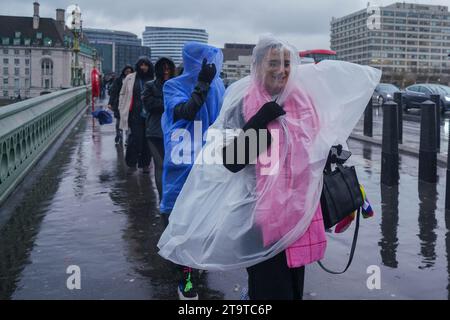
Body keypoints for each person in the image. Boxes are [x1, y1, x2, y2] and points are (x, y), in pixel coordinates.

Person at [157, 35, 381, 300]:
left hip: (300, 216)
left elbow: (312, 152)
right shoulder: (241, 104)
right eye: (273, 63)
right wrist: (259, 122)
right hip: (258, 219)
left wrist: (329, 153)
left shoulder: (303, 102)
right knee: (271, 291)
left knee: (294, 288)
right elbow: (230, 161)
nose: (281, 70)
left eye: (286, 63)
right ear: (258, 66)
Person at [160, 42, 225, 300]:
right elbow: (186, 111)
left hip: (209, 162)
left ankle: (193, 268)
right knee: (180, 219)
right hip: (181, 165)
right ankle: (185, 277)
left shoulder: (218, 86)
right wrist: (202, 84)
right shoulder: (172, 86)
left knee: (204, 221)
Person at [142, 57, 176, 200]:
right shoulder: (150, 85)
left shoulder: (176, 85)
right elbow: (150, 105)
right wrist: (170, 103)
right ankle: (163, 199)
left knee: (172, 166)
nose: (166, 71)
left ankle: (170, 196)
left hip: (173, 131)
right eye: (164, 68)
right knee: (160, 165)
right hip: (155, 131)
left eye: (169, 68)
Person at [118, 56, 154, 173]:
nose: (143, 67)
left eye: (146, 65)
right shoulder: (130, 78)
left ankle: (145, 165)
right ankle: (131, 163)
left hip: (150, 115)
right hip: (135, 113)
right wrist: (121, 107)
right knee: (135, 139)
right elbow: (122, 94)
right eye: (141, 65)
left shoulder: (153, 78)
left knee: (147, 140)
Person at [108, 65, 134, 144]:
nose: (128, 73)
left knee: (128, 123)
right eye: (127, 71)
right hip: (119, 104)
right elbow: (113, 92)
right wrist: (110, 103)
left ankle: (127, 139)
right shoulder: (118, 80)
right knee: (118, 123)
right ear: (124, 72)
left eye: (130, 72)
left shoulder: (134, 80)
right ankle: (119, 137)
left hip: (130, 104)